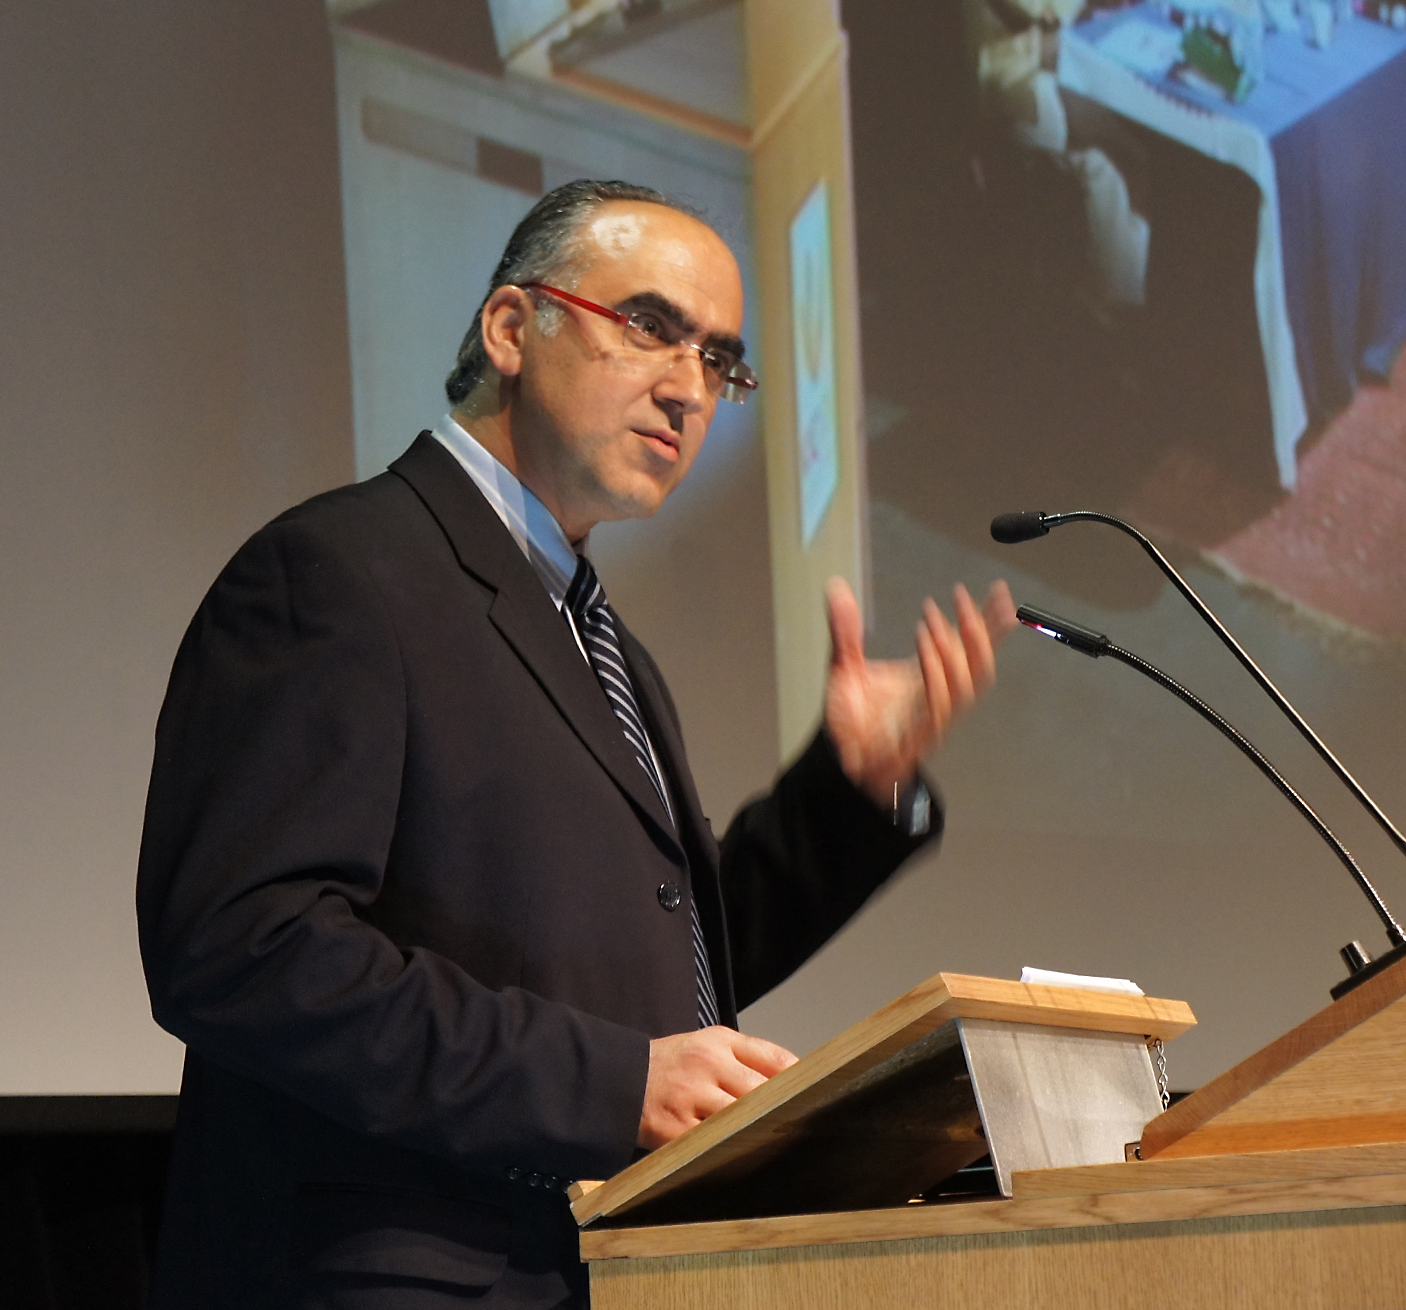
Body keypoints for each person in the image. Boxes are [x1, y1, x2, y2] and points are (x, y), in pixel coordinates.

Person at [135, 179, 1015, 1308]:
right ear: (512, 327)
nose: (690, 387)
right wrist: (614, 1081)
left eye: (721, 361)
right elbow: (244, 948)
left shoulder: (598, 639)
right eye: (650, 326)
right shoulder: (340, 575)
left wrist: (844, 794)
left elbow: (655, 964)